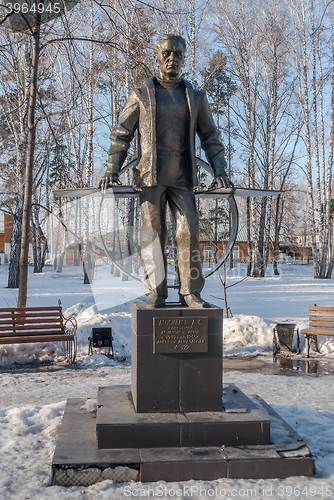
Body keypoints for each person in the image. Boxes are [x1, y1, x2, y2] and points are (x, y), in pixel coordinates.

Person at [99, 34, 233, 308]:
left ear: (184, 58)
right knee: (153, 235)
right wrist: (112, 169)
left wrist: (219, 170)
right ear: (157, 57)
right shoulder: (141, 96)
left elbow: (211, 137)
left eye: (179, 55)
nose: (173, 59)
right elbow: (121, 135)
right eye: (167, 54)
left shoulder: (195, 97)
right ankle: (155, 293)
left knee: (189, 233)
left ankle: (190, 292)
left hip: (182, 176)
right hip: (151, 178)